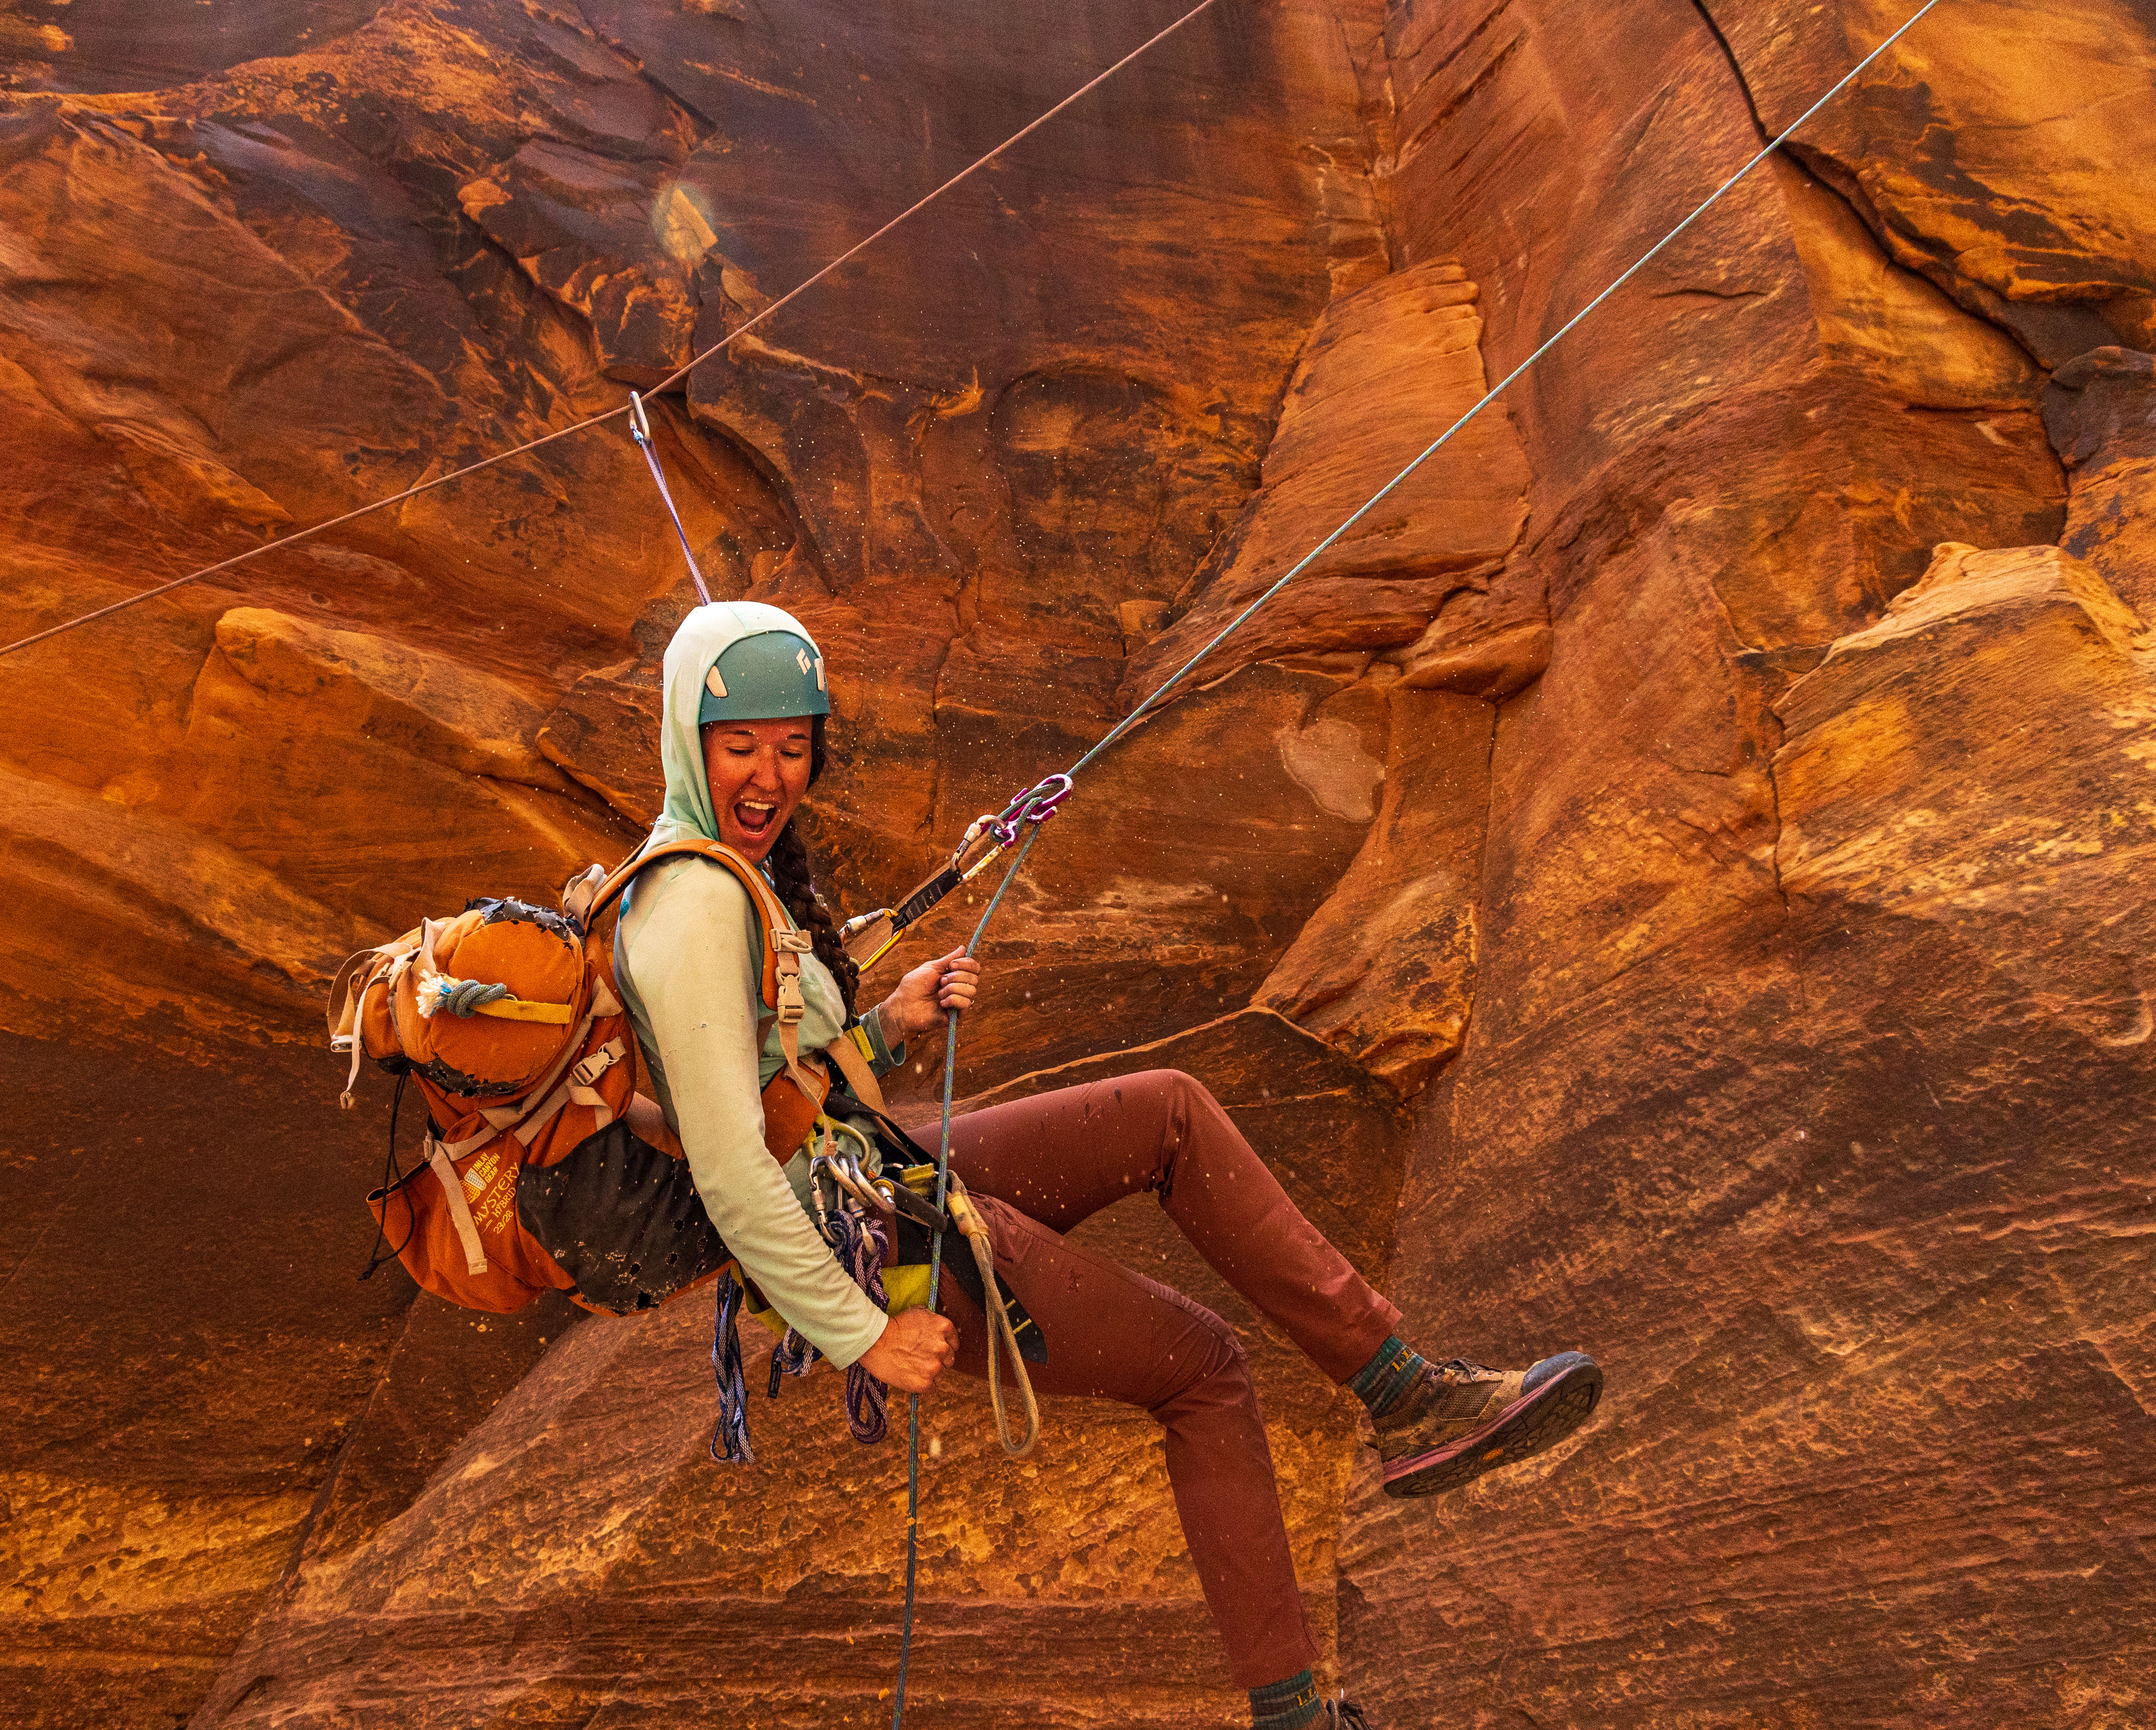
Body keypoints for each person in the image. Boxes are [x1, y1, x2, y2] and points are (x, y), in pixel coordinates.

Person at [615, 601, 1602, 1730]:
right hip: (873, 1242)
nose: (770, 774)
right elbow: (729, 1169)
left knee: (1168, 1115)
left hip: (876, 1167)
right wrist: (865, 1336)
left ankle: (1404, 1394)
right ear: (685, 737)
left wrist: (889, 1022)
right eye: (740, 743)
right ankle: (1293, 1715)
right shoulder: (692, 903)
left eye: (794, 746)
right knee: (1204, 1368)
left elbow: (776, 1079)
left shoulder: (732, 879)